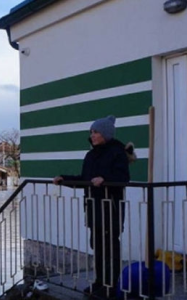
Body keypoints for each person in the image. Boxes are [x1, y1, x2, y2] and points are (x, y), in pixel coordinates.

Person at [53, 115, 132, 298]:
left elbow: (122, 178)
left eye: (95, 132)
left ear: (105, 134)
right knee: (97, 246)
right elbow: (84, 180)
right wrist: (64, 179)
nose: (92, 135)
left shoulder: (117, 153)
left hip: (110, 208)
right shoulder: (90, 155)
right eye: (91, 132)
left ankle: (110, 286)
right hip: (93, 208)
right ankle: (99, 282)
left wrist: (105, 180)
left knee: (110, 247)